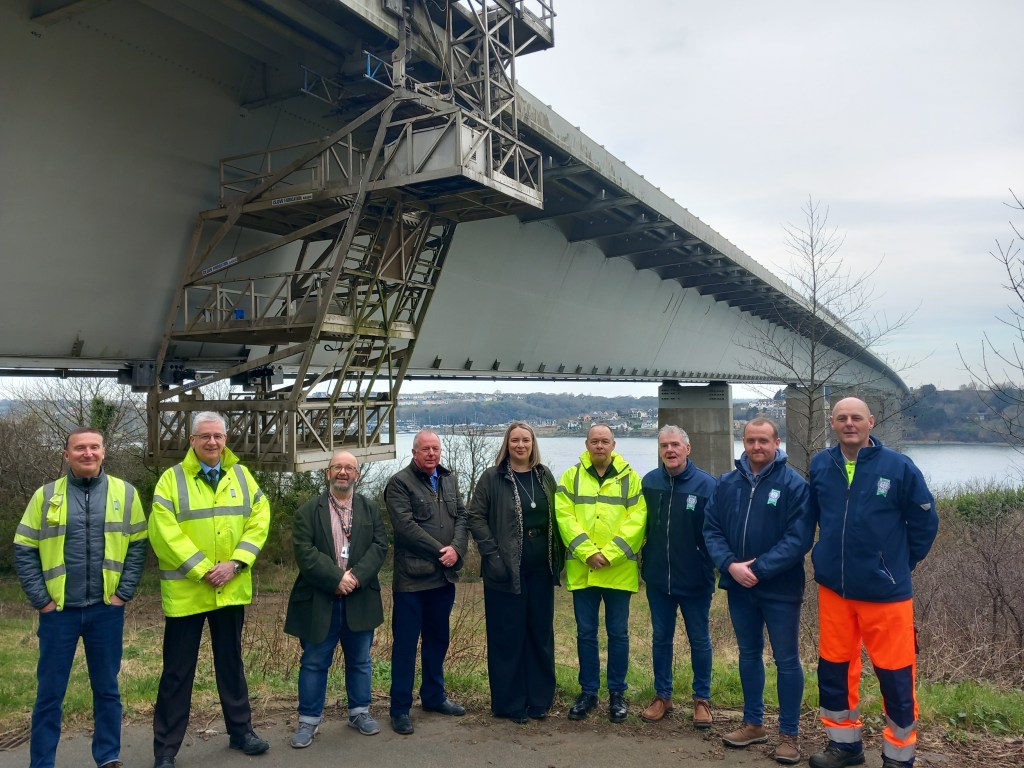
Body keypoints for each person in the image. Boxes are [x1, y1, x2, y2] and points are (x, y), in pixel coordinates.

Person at [807, 398, 938, 768]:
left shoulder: (898, 467)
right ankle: (844, 745)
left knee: (896, 676)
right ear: (832, 423)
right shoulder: (821, 464)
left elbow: (925, 522)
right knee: (833, 669)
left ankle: (898, 757)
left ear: (871, 422)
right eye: (843, 418)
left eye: (857, 418)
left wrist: (898, 563)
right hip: (835, 590)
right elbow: (811, 517)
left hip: (886, 594)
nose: (850, 423)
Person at [14, 427, 148, 768]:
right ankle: (41, 762)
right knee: (49, 694)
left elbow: (137, 546)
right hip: (59, 612)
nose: (87, 453)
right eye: (79, 448)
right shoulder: (45, 496)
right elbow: (25, 548)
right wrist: (41, 600)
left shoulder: (126, 493)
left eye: (94, 447)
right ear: (66, 455)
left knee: (107, 690)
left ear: (104, 452)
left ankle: (108, 757)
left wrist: (123, 594)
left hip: (106, 610)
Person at [149, 412, 271, 768]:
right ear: (191, 440)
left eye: (218, 436)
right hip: (189, 593)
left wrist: (235, 564)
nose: (212, 442)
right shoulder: (171, 481)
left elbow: (260, 518)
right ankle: (166, 750)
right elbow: (163, 532)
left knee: (231, 664)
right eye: (204, 437)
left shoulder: (242, 476)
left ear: (226, 438)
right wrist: (204, 570)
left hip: (229, 588)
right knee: (177, 672)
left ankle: (241, 733)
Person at [703, 417, 813, 765]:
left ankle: (789, 734)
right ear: (744, 441)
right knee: (749, 654)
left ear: (776, 442)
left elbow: (799, 538)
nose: (756, 446)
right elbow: (712, 530)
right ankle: (753, 724)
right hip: (739, 586)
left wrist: (759, 569)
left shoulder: (794, 484)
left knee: (786, 659)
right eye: (750, 440)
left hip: (779, 587)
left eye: (764, 440)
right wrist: (731, 566)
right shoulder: (727, 483)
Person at [285, 450, 389, 747]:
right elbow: (305, 552)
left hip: (360, 598)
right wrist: (336, 578)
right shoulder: (308, 511)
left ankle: (359, 712)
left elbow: (380, 546)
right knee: (314, 662)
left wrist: (354, 577)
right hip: (320, 598)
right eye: (337, 467)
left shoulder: (369, 510)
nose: (343, 472)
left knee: (360, 660)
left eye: (349, 468)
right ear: (327, 473)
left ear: (357, 474)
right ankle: (308, 721)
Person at [467, 421, 565, 724]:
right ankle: (511, 703)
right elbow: (474, 516)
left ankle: (539, 699)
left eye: (525, 440)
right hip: (505, 572)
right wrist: (492, 554)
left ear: (533, 444)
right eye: (515, 441)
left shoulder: (544, 476)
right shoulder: (492, 478)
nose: (520, 445)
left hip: (540, 570)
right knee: (507, 637)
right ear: (506, 445)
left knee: (539, 635)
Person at [555, 423, 647, 723]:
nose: (599, 446)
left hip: (618, 571)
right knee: (585, 634)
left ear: (613, 444)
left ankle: (617, 694)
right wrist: (588, 552)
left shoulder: (630, 479)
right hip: (583, 571)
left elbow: (638, 522)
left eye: (604, 441)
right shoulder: (571, 477)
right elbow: (564, 518)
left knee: (618, 634)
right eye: (594, 441)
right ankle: (589, 693)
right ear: (586, 444)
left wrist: (607, 555)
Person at [385, 429, 469, 735]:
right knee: (405, 647)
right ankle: (400, 708)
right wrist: (441, 551)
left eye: (436, 448)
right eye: (425, 449)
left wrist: (457, 549)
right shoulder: (399, 483)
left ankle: (434, 697)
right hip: (411, 582)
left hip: (443, 579)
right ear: (414, 452)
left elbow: (462, 516)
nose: (431, 454)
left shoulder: (450, 479)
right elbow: (405, 528)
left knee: (438, 641)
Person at [639, 425, 717, 729]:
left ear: (688, 448)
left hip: (695, 580)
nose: (670, 451)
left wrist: (707, 565)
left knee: (699, 640)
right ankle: (663, 696)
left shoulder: (707, 485)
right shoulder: (650, 482)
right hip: (658, 578)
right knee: (661, 638)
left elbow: (715, 534)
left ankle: (702, 700)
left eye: (675, 445)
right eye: (664, 446)